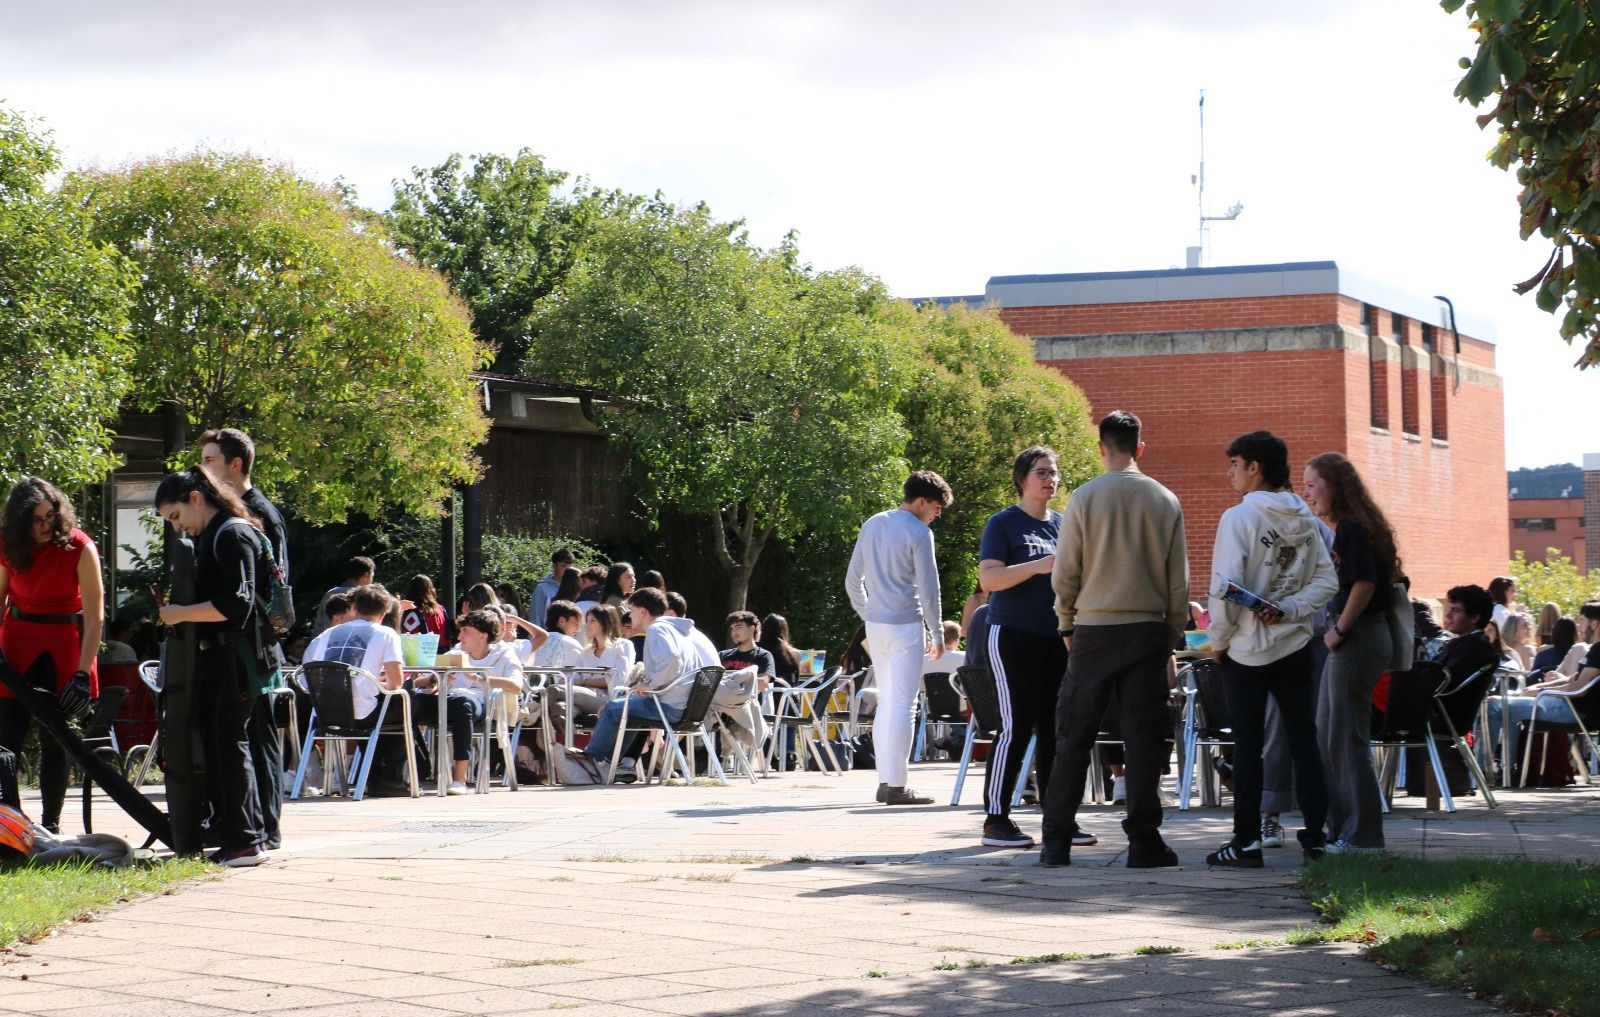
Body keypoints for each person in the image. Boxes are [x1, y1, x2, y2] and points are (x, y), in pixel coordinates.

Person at [1040, 411, 1187, 868]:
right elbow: (1177, 582)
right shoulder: (1165, 500)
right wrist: (1172, 635)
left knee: (1074, 735)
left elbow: (1065, 572)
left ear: (1102, 447)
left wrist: (1067, 622)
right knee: (1144, 739)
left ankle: (1056, 840)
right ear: (1140, 448)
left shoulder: (1084, 498)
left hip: (1093, 629)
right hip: (1146, 628)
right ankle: (1144, 841)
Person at [1201, 431, 1337, 868]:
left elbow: (1223, 587)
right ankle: (1316, 835)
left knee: (1247, 745)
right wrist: (1292, 608)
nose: (1230, 474)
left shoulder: (1239, 519)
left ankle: (1246, 841)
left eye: (1235, 465)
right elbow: (1326, 580)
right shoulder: (1309, 521)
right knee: (1305, 743)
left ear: (1254, 467)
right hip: (1294, 644)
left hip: (1246, 649)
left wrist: (1218, 641)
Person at [154, 466, 280, 866]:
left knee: (230, 744)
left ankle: (247, 839)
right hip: (228, 656)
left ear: (195, 498)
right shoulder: (222, 532)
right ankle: (238, 831)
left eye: (175, 517)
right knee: (224, 743)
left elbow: (236, 605)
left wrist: (180, 613)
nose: (177, 529)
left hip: (236, 657)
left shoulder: (231, 534)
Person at [1303, 451, 1400, 854]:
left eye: (1312, 484)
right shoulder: (1353, 527)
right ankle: (1343, 830)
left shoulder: (1352, 529)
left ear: (1335, 485)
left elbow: (1364, 584)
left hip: (1357, 639)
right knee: (1330, 733)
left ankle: (1362, 837)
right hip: (1356, 638)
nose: (1307, 493)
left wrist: (1340, 629)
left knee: (1345, 737)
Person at [199, 427, 289, 851]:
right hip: (247, 644)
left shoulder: (257, 515)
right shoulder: (227, 514)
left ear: (236, 465)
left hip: (254, 647)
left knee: (257, 737)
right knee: (246, 737)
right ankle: (251, 825)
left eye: (211, 461)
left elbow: (273, 585)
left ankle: (264, 830)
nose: (203, 469)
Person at [0, 479, 105, 834]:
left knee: (56, 739)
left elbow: (94, 616)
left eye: (51, 515)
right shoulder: (7, 544)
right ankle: (10, 827)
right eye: (37, 519)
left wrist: (80, 672)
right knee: (7, 738)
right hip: (17, 640)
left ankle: (52, 826)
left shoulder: (79, 545)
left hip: (64, 642)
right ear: (19, 521)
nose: (47, 524)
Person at [974, 446, 1066, 849]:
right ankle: (996, 819)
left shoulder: (1064, 526)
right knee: (1015, 726)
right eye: (1041, 472)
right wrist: (1036, 566)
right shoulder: (1004, 524)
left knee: (1055, 730)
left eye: (1054, 472)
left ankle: (1057, 819)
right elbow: (990, 581)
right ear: (1022, 478)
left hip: (1057, 636)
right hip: (1012, 633)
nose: (1049, 479)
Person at [845, 469, 952, 806]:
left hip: (876, 626)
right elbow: (929, 589)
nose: (936, 516)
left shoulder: (873, 523)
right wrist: (936, 633)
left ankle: (884, 782)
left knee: (888, 703)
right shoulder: (919, 533)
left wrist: (869, 613)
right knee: (905, 705)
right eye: (936, 508)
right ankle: (898, 787)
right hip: (906, 625)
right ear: (921, 502)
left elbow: (852, 581)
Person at [578, 588, 718, 783]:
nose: (629, 615)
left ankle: (590, 761)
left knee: (612, 708)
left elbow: (673, 659)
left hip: (669, 707)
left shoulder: (657, 629)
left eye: (632, 610)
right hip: (687, 707)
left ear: (643, 611)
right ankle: (612, 763)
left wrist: (651, 684)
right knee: (630, 712)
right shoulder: (676, 630)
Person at [299, 584, 406, 791]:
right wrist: (374, 682)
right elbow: (396, 683)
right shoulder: (386, 634)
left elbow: (307, 679)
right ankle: (387, 778)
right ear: (384, 613)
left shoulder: (326, 635)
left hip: (323, 714)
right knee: (405, 702)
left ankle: (372, 775)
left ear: (353, 607)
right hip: (361, 714)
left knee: (378, 704)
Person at [1487, 601, 1600, 775]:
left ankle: (1480, 770)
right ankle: (1508, 769)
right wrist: (1542, 686)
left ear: (1595, 624)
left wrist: (1541, 692)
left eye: (1582, 621)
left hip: (1572, 711)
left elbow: (1579, 688)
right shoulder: (1594, 650)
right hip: (1565, 706)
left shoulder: (1598, 651)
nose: (1579, 626)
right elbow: (1573, 679)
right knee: (1505, 705)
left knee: (1494, 705)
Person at [313, 557, 374, 636]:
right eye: (372, 576)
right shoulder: (364, 597)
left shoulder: (330, 594)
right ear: (366, 575)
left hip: (327, 643)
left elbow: (319, 625)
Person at [721, 612, 775, 690]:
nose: (734, 632)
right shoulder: (722, 655)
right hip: (721, 700)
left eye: (738, 627)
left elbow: (763, 683)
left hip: (749, 701)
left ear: (752, 629)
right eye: (732, 628)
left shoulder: (763, 656)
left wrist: (731, 684)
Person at [529, 549, 575, 633]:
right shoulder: (542, 588)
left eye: (569, 566)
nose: (567, 570)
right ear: (554, 566)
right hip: (547, 637)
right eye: (563, 566)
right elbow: (535, 617)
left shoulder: (575, 588)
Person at [534, 600, 584, 668]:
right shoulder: (571, 644)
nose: (578, 629)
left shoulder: (534, 641)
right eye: (576, 623)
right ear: (562, 621)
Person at [758, 613, 802, 686]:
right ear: (784, 630)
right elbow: (795, 681)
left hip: (764, 694)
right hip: (787, 695)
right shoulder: (794, 653)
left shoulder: (757, 651)